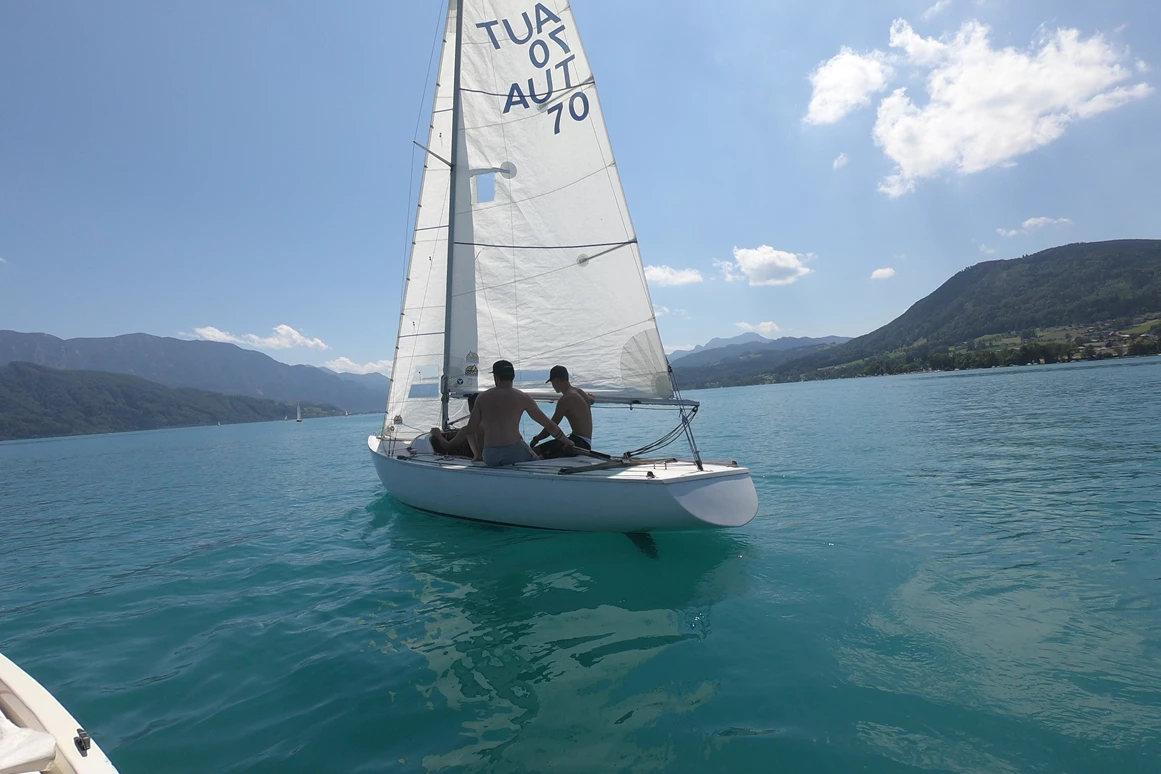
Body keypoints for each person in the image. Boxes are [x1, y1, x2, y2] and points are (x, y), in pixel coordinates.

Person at [465, 360, 573, 466]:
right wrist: (567, 441)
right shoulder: (523, 397)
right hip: (514, 452)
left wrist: (477, 454)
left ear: (496, 377)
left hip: (490, 455)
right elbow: (549, 425)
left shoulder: (482, 398)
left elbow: (470, 431)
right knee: (538, 462)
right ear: (513, 376)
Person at [531, 365, 595, 458]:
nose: (552, 386)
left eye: (552, 382)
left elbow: (551, 427)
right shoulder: (579, 391)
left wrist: (536, 439)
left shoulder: (566, 399)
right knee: (536, 451)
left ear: (557, 380)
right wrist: (592, 398)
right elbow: (591, 400)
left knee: (536, 456)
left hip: (579, 445)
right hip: (581, 441)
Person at [429, 394, 483, 458]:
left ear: (471, 408)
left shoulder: (466, 430)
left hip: (476, 460)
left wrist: (438, 434)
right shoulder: (492, 426)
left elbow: (448, 447)